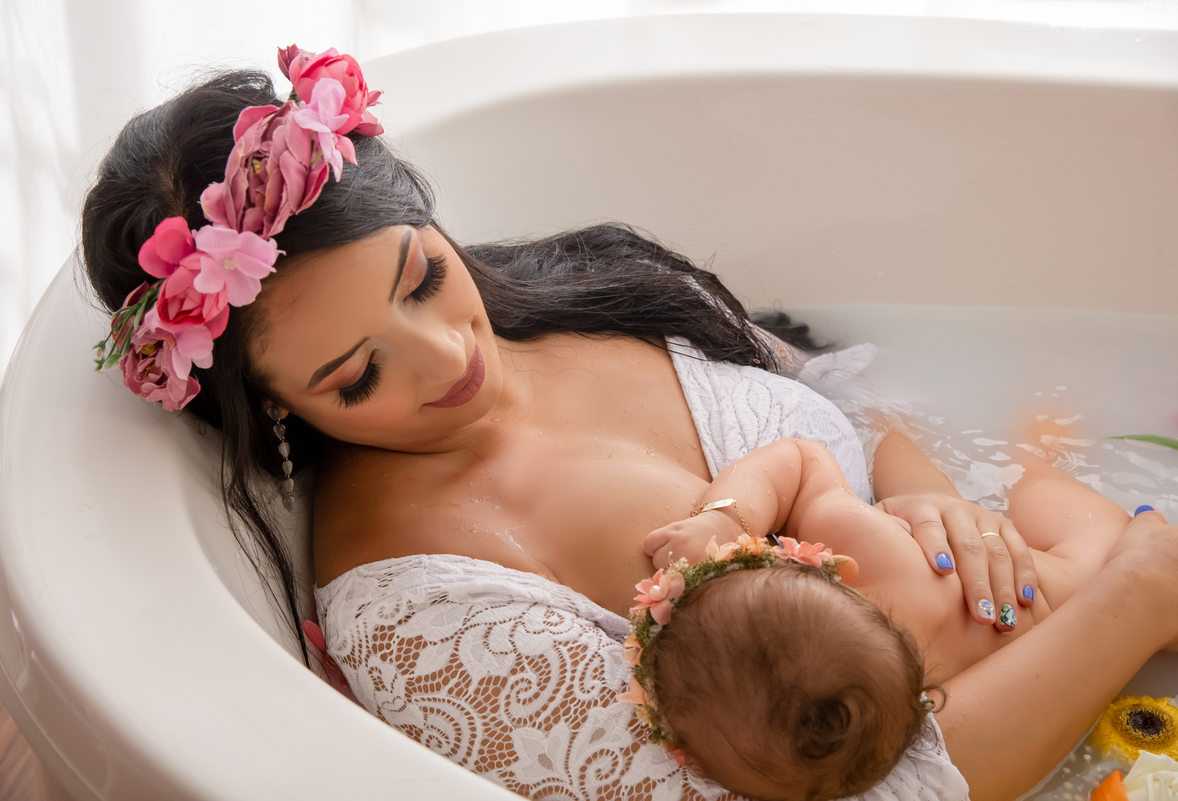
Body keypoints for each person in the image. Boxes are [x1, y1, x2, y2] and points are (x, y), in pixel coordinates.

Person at [80, 49, 1178, 801]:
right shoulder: (434, 624)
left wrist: (929, 494)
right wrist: (1136, 589)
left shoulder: (581, 292)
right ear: (274, 402)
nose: (453, 358)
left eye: (425, 278)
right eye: (360, 375)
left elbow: (841, 394)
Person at [621, 422, 1143, 800]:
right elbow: (801, 459)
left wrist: (724, 518)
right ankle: (1035, 452)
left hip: (1028, 603)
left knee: (930, 495)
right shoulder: (862, 546)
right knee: (1078, 522)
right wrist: (727, 520)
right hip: (1066, 582)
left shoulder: (897, 702)